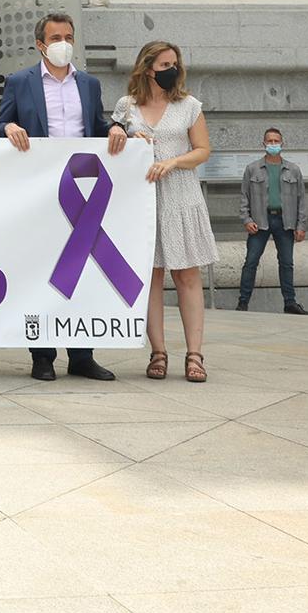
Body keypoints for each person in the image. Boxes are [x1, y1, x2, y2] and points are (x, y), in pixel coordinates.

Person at [0, 12, 126, 382]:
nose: (63, 43)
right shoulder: (20, 82)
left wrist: (116, 128)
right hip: (40, 189)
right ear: (40, 44)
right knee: (43, 269)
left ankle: (82, 355)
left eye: (68, 36)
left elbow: (97, 126)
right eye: (56, 38)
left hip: (80, 189)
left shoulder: (89, 84)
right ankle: (43, 356)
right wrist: (8, 127)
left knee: (81, 270)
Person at [114, 41, 217, 384]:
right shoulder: (127, 106)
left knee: (187, 275)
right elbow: (112, 139)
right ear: (147, 69)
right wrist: (121, 133)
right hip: (143, 199)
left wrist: (173, 162)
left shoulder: (189, 106)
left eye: (174, 64)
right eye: (164, 65)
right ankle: (158, 352)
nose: (171, 70)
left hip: (181, 196)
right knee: (151, 277)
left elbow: (203, 150)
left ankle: (195, 354)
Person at [238, 128, 308, 315]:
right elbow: (244, 197)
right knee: (251, 262)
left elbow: (301, 199)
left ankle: (290, 303)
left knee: (286, 263)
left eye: (276, 141)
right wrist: (246, 220)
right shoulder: (252, 168)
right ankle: (243, 302)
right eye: (269, 141)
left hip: (285, 222)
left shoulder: (293, 170)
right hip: (260, 222)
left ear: (282, 143)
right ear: (263, 144)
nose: (273, 144)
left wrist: (301, 225)